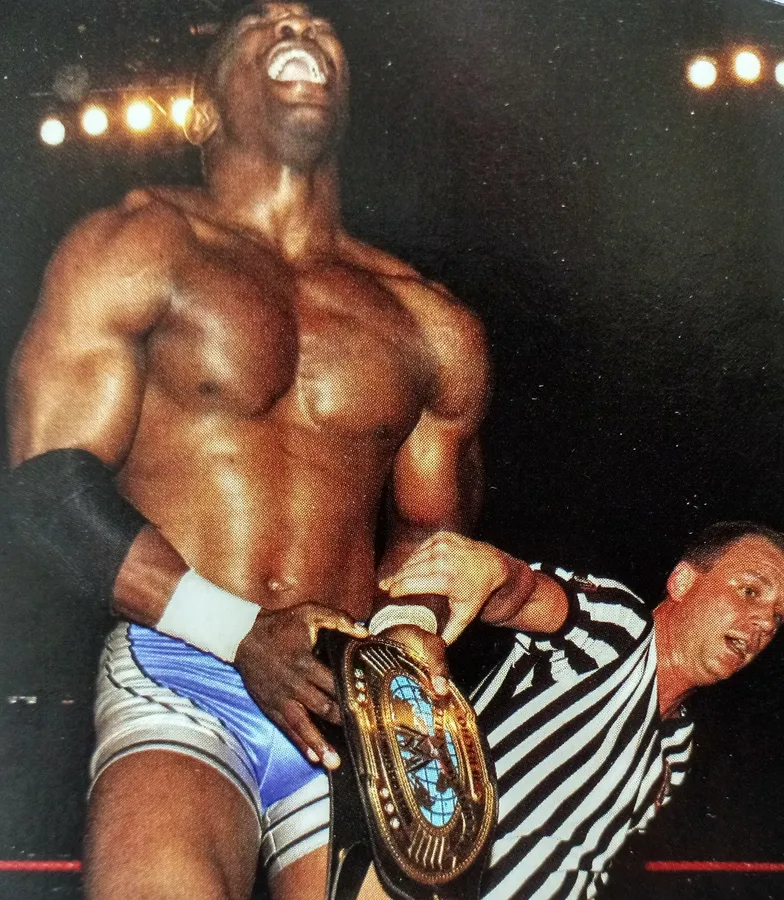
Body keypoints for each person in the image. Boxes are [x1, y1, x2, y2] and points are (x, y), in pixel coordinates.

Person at [4, 4, 490, 899]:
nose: (298, 27)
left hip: (348, 699)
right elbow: (47, 484)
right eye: (262, 24)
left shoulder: (429, 320)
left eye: (316, 24)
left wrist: (402, 647)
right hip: (181, 663)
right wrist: (237, 633)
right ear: (205, 109)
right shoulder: (139, 243)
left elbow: (434, 542)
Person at [379, 521, 784, 900]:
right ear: (683, 582)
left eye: (779, 617)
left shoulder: (678, 747)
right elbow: (527, 594)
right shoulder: (619, 631)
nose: (766, 622)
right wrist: (495, 571)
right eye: (750, 591)